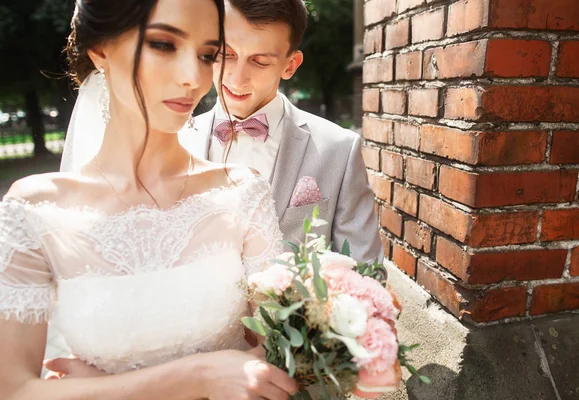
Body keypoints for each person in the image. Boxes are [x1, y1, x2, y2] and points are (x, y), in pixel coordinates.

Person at [0, 0, 297, 399]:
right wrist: (200, 376)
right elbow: (14, 389)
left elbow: (283, 360)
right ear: (101, 49)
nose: (194, 78)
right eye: (163, 44)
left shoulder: (241, 194)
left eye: (208, 55)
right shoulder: (35, 211)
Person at [179, 0, 383, 264]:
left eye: (260, 61)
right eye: (226, 55)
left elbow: (366, 272)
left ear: (290, 65)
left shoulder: (339, 150)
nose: (237, 79)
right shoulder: (174, 139)